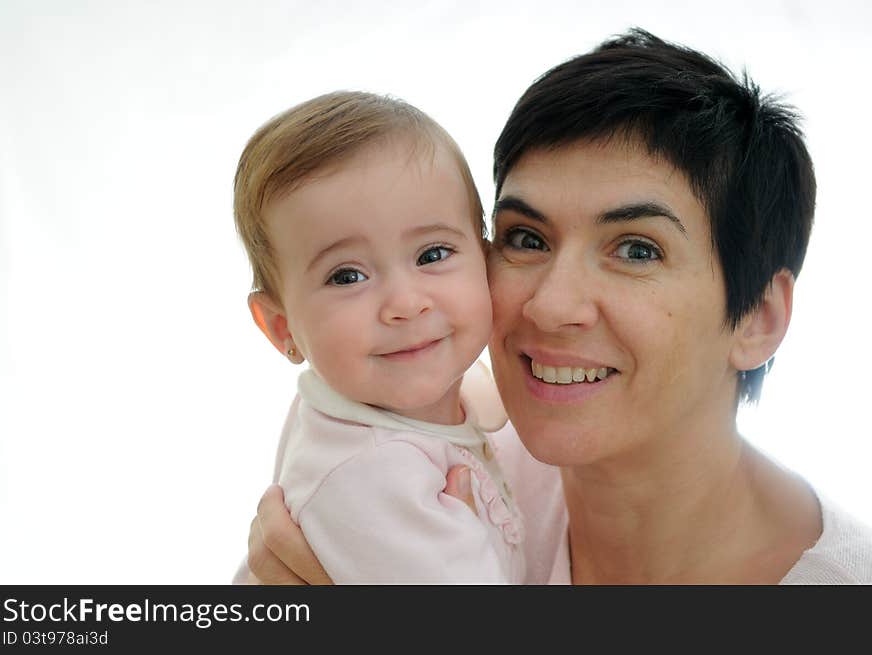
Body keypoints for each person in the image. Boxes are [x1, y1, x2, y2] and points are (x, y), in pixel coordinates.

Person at [243, 29, 872, 584]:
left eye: (635, 249)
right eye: (525, 238)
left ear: (759, 317)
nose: (550, 305)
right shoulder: (419, 469)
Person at [231, 91, 525, 583]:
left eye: (432, 254)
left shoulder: (405, 400)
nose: (406, 303)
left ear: (487, 253)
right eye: (346, 277)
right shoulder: (376, 477)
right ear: (282, 327)